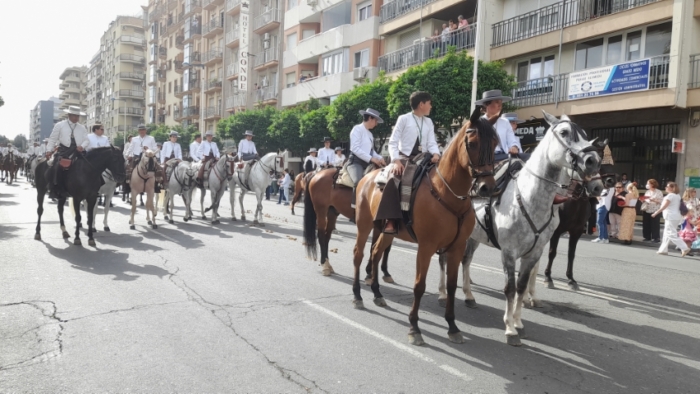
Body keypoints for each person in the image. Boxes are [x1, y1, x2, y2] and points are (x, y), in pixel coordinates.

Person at [378, 91, 440, 234]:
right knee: (394, 178)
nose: (431, 106)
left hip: (423, 157)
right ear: (421, 104)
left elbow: (431, 142)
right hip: (404, 157)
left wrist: (436, 153)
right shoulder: (404, 119)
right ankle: (391, 219)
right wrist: (396, 161)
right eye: (429, 103)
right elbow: (393, 142)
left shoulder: (428, 122)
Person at [46, 105, 89, 198]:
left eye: (78, 116)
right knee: (56, 166)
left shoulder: (82, 127)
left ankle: (92, 188)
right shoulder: (60, 125)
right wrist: (49, 150)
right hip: (64, 150)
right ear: (69, 115)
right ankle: (55, 188)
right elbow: (52, 139)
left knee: (90, 166)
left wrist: (82, 146)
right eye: (75, 115)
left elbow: (87, 140)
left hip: (78, 151)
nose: (77, 118)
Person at [348, 108, 387, 210]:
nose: (376, 124)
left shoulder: (370, 134)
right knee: (358, 181)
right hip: (355, 162)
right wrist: (372, 159)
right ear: (370, 118)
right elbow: (355, 148)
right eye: (376, 121)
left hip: (367, 162)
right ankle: (355, 207)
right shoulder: (357, 129)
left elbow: (371, 151)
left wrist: (380, 157)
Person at [476, 91, 529, 162]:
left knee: (529, 157)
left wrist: (514, 147)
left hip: (504, 155)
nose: (500, 105)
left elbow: (511, 140)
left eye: (501, 103)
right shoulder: (479, 123)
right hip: (487, 158)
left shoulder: (505, 122)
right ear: (487, 104)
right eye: (497, 102)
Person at [652, 182, 691, 257]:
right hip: (676, 217)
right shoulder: (677, 196)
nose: (665, 187)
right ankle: (663, 250)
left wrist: (656, 213)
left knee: (671, 233)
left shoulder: (670, 196)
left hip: (670, 217)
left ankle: (684, 247)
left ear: (672, 188)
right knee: (667, 233)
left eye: (667, 186)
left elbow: (664, 207)